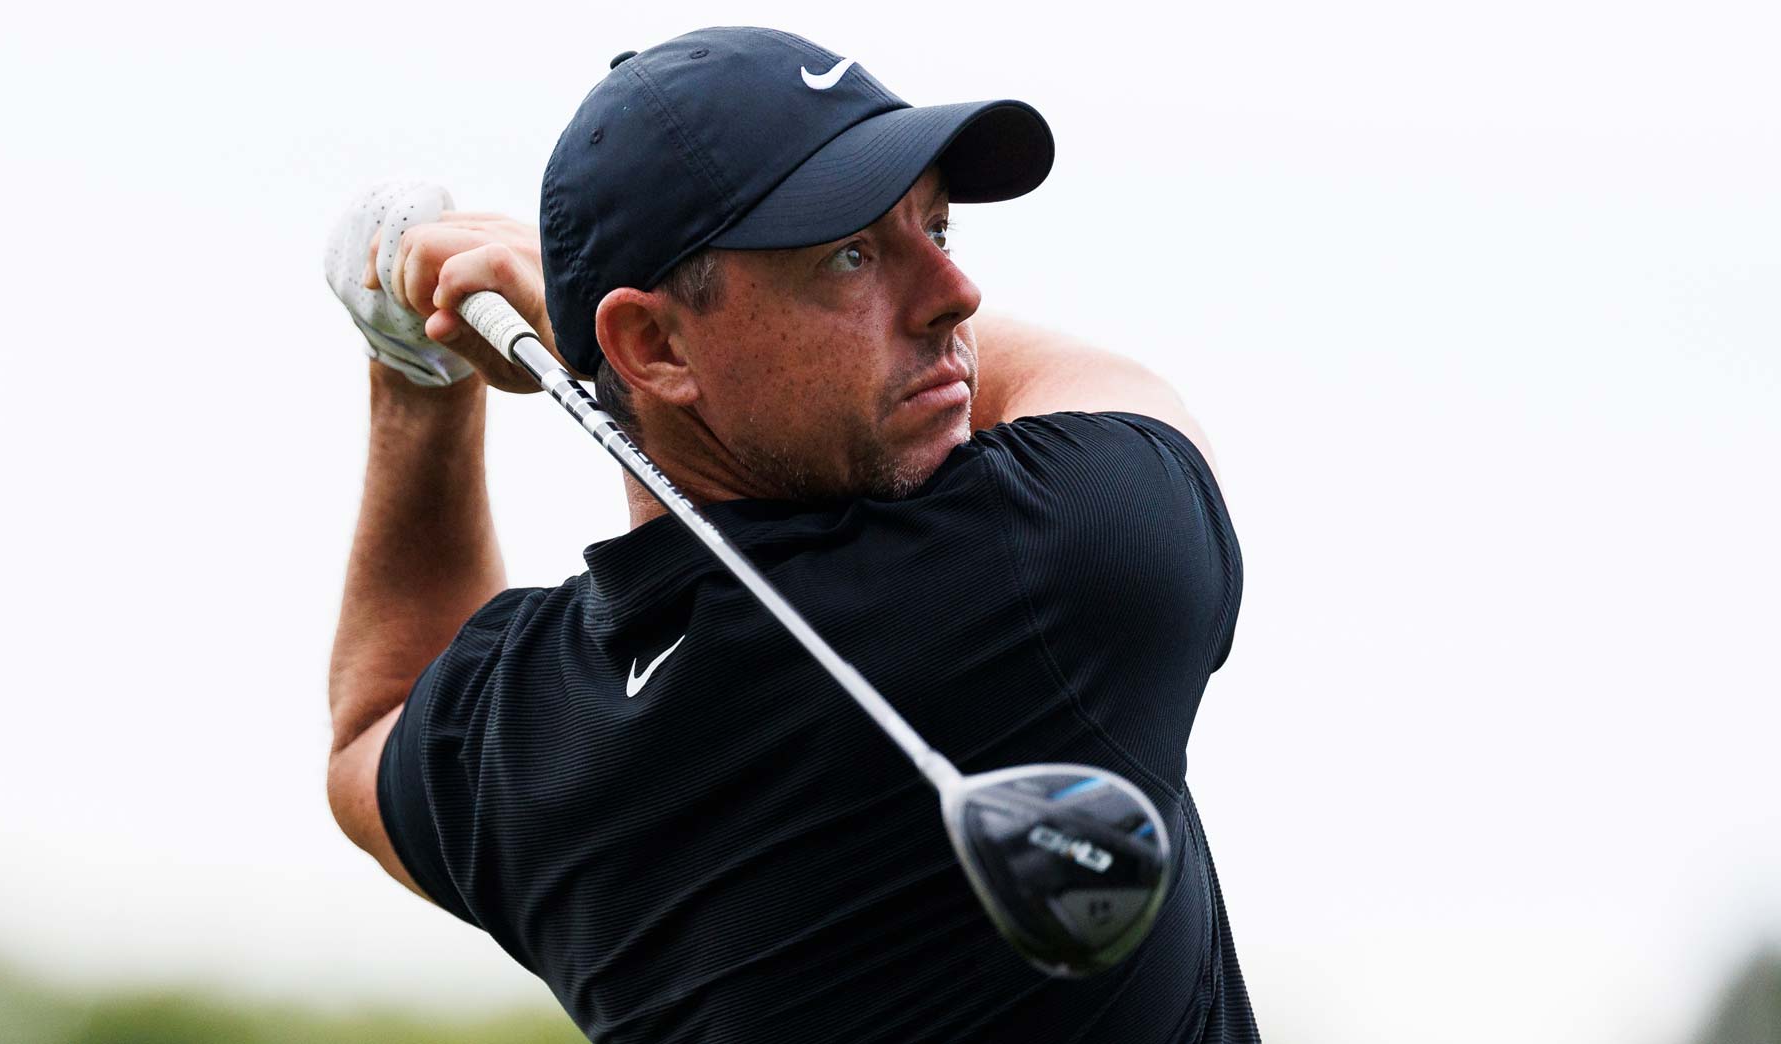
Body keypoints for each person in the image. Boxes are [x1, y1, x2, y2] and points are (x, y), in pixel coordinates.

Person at [324, 26, 1255, 1044]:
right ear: (652, 343)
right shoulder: (1048, 575)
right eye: (850, 254)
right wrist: (564, 314)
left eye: (936, 231)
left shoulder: (534, 731)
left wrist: (417, 373)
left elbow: (374, 725)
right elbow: (1102, 390)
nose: (958, 297)